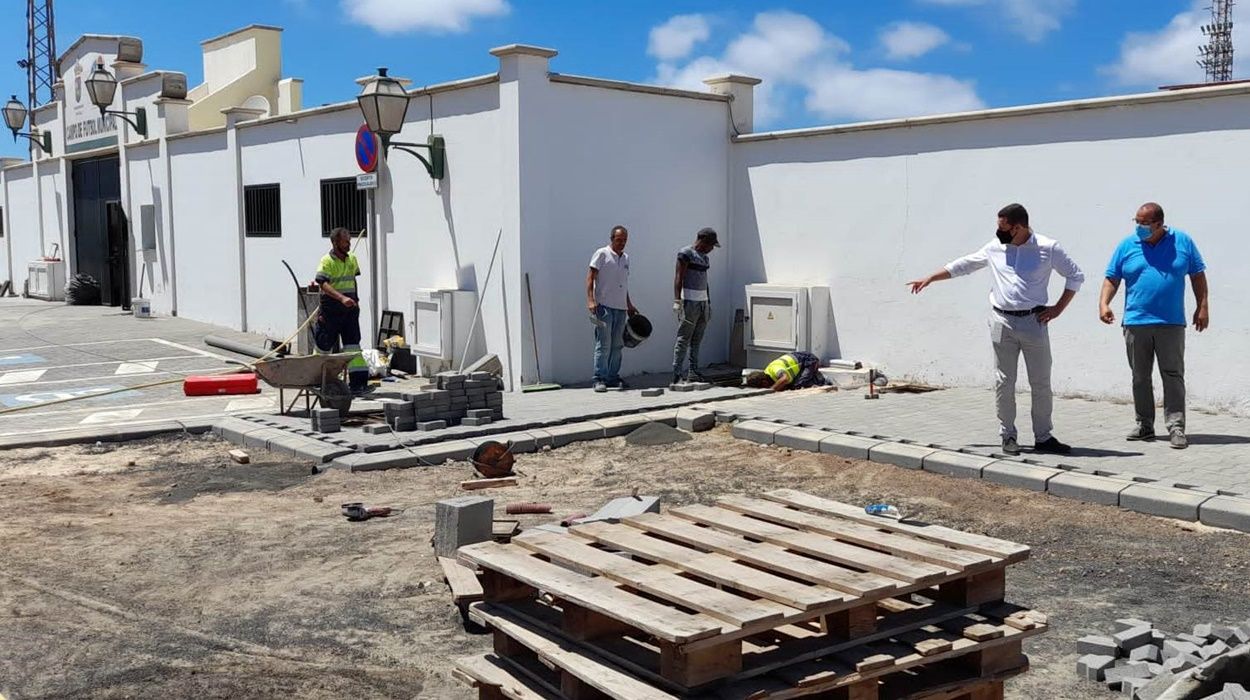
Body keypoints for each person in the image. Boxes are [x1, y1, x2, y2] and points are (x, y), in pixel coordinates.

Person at [907, 203, 1084, 456]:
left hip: (1035, 322)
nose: (998, 232)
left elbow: (1075, 276)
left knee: (1041, 382)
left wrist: (1058, 309)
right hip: (1001, 322)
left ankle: (1043, 437)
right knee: (1004, 381)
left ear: (1019, 227)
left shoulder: (1048, 247)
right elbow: (963, 265)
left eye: (1004, 228)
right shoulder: (995, 247)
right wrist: (930, 278)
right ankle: (1008, 435)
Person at [1100, 202, 1208, 449]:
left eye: (1144, 223)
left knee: (1172, 375)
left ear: (1159, 223)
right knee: (1140, 376)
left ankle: (1176, 427)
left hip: (1170, 323)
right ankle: (1144, 425)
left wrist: (1202, 307)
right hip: (1136, 322)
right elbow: (1111, 277)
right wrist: (1104, 303)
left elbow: (1198, 275)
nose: (1139, 227)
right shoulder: (1127, 245)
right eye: (1136, 221)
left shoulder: (1182, 242)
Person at [314, 227, 370, 394]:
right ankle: (318, 380)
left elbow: (353, 281)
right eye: (345, 241)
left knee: (353, 347)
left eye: (349, 240)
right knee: (324, 347)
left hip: (349, 312)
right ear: (335, 242)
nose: (349, 244)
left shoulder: (352, 259)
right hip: (331, 311)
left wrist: (356, 300)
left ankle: (359, 385)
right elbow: (323, 284)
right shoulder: (326, 261)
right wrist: (342, 298)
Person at [586, 225, 638, 392]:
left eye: (624, 240)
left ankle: (612, 377)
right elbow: (590, 278)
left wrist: (629, 304)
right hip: (604, 307)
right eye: (618, 240)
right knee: (604, 344)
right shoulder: (602, 254)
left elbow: (623, 284)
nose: (622, 243)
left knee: (617, 344)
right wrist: (591, 300)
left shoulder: (626, 258)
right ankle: (599, 378)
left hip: (621, 308)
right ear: (612, 239)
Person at [672, 227, 720, 385]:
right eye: (711, 245)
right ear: (703, 241)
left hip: (703, 303)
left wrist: (709, 302)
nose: (712, 249)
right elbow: (679, 276)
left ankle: (693, 371)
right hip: (689, 302)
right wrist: (677, 300)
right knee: (683, 338)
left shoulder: (705, 258)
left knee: (697, 339)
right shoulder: (686, 253)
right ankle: (677, 374)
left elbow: (705, 282)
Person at [743, 351, 828, 391]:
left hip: (809, 361)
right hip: (801, 363)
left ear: (764, 382)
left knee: (798, 386)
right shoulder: (768, 373)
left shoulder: (775, 370)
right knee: (790, 386)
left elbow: (785, 379)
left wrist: (771, 389)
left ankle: (822, 380)